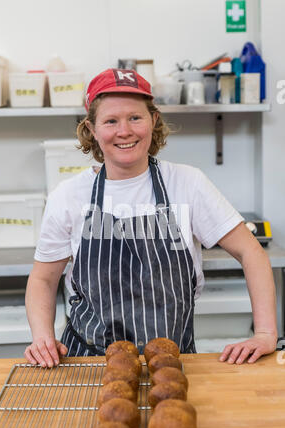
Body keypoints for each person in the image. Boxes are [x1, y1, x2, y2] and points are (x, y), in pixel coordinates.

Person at [24, 68, 277, 368]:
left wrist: (265, 333)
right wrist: (42, 336)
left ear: (153, 120)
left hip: (169, 364)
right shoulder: (68, 196)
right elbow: (43, 278)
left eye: (135, 117)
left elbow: (251, 252)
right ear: (92, 129)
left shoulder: (187, 183)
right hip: (89, 366)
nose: (124, 131)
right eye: (110, 121)